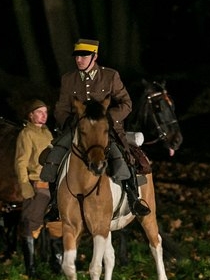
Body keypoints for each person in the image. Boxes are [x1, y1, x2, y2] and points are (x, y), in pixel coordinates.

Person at [39, 38, 151, 217]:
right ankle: (55, 203)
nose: (79, 60)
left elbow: (126, 103)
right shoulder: (68, 78)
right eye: (77, 56)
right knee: (54, 157)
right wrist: (69, 123)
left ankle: (133, 198)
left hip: (105, 129)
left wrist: (106, 119)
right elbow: (61, 107)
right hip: (78, 129)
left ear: (94, 57)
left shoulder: (110, 76)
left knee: (123, 157)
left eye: (83, 56)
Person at [14, 99, 54, 278]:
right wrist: (25, 185)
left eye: (45, 112)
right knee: (31, 224)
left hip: (52, 184)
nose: (44, 115)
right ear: (31, 115)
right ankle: (30, 269)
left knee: (55, 225)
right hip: (37, 183)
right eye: (39, 112)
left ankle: (56, 264)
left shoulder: (48, 133)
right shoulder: (26, 134)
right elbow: (21, 162)